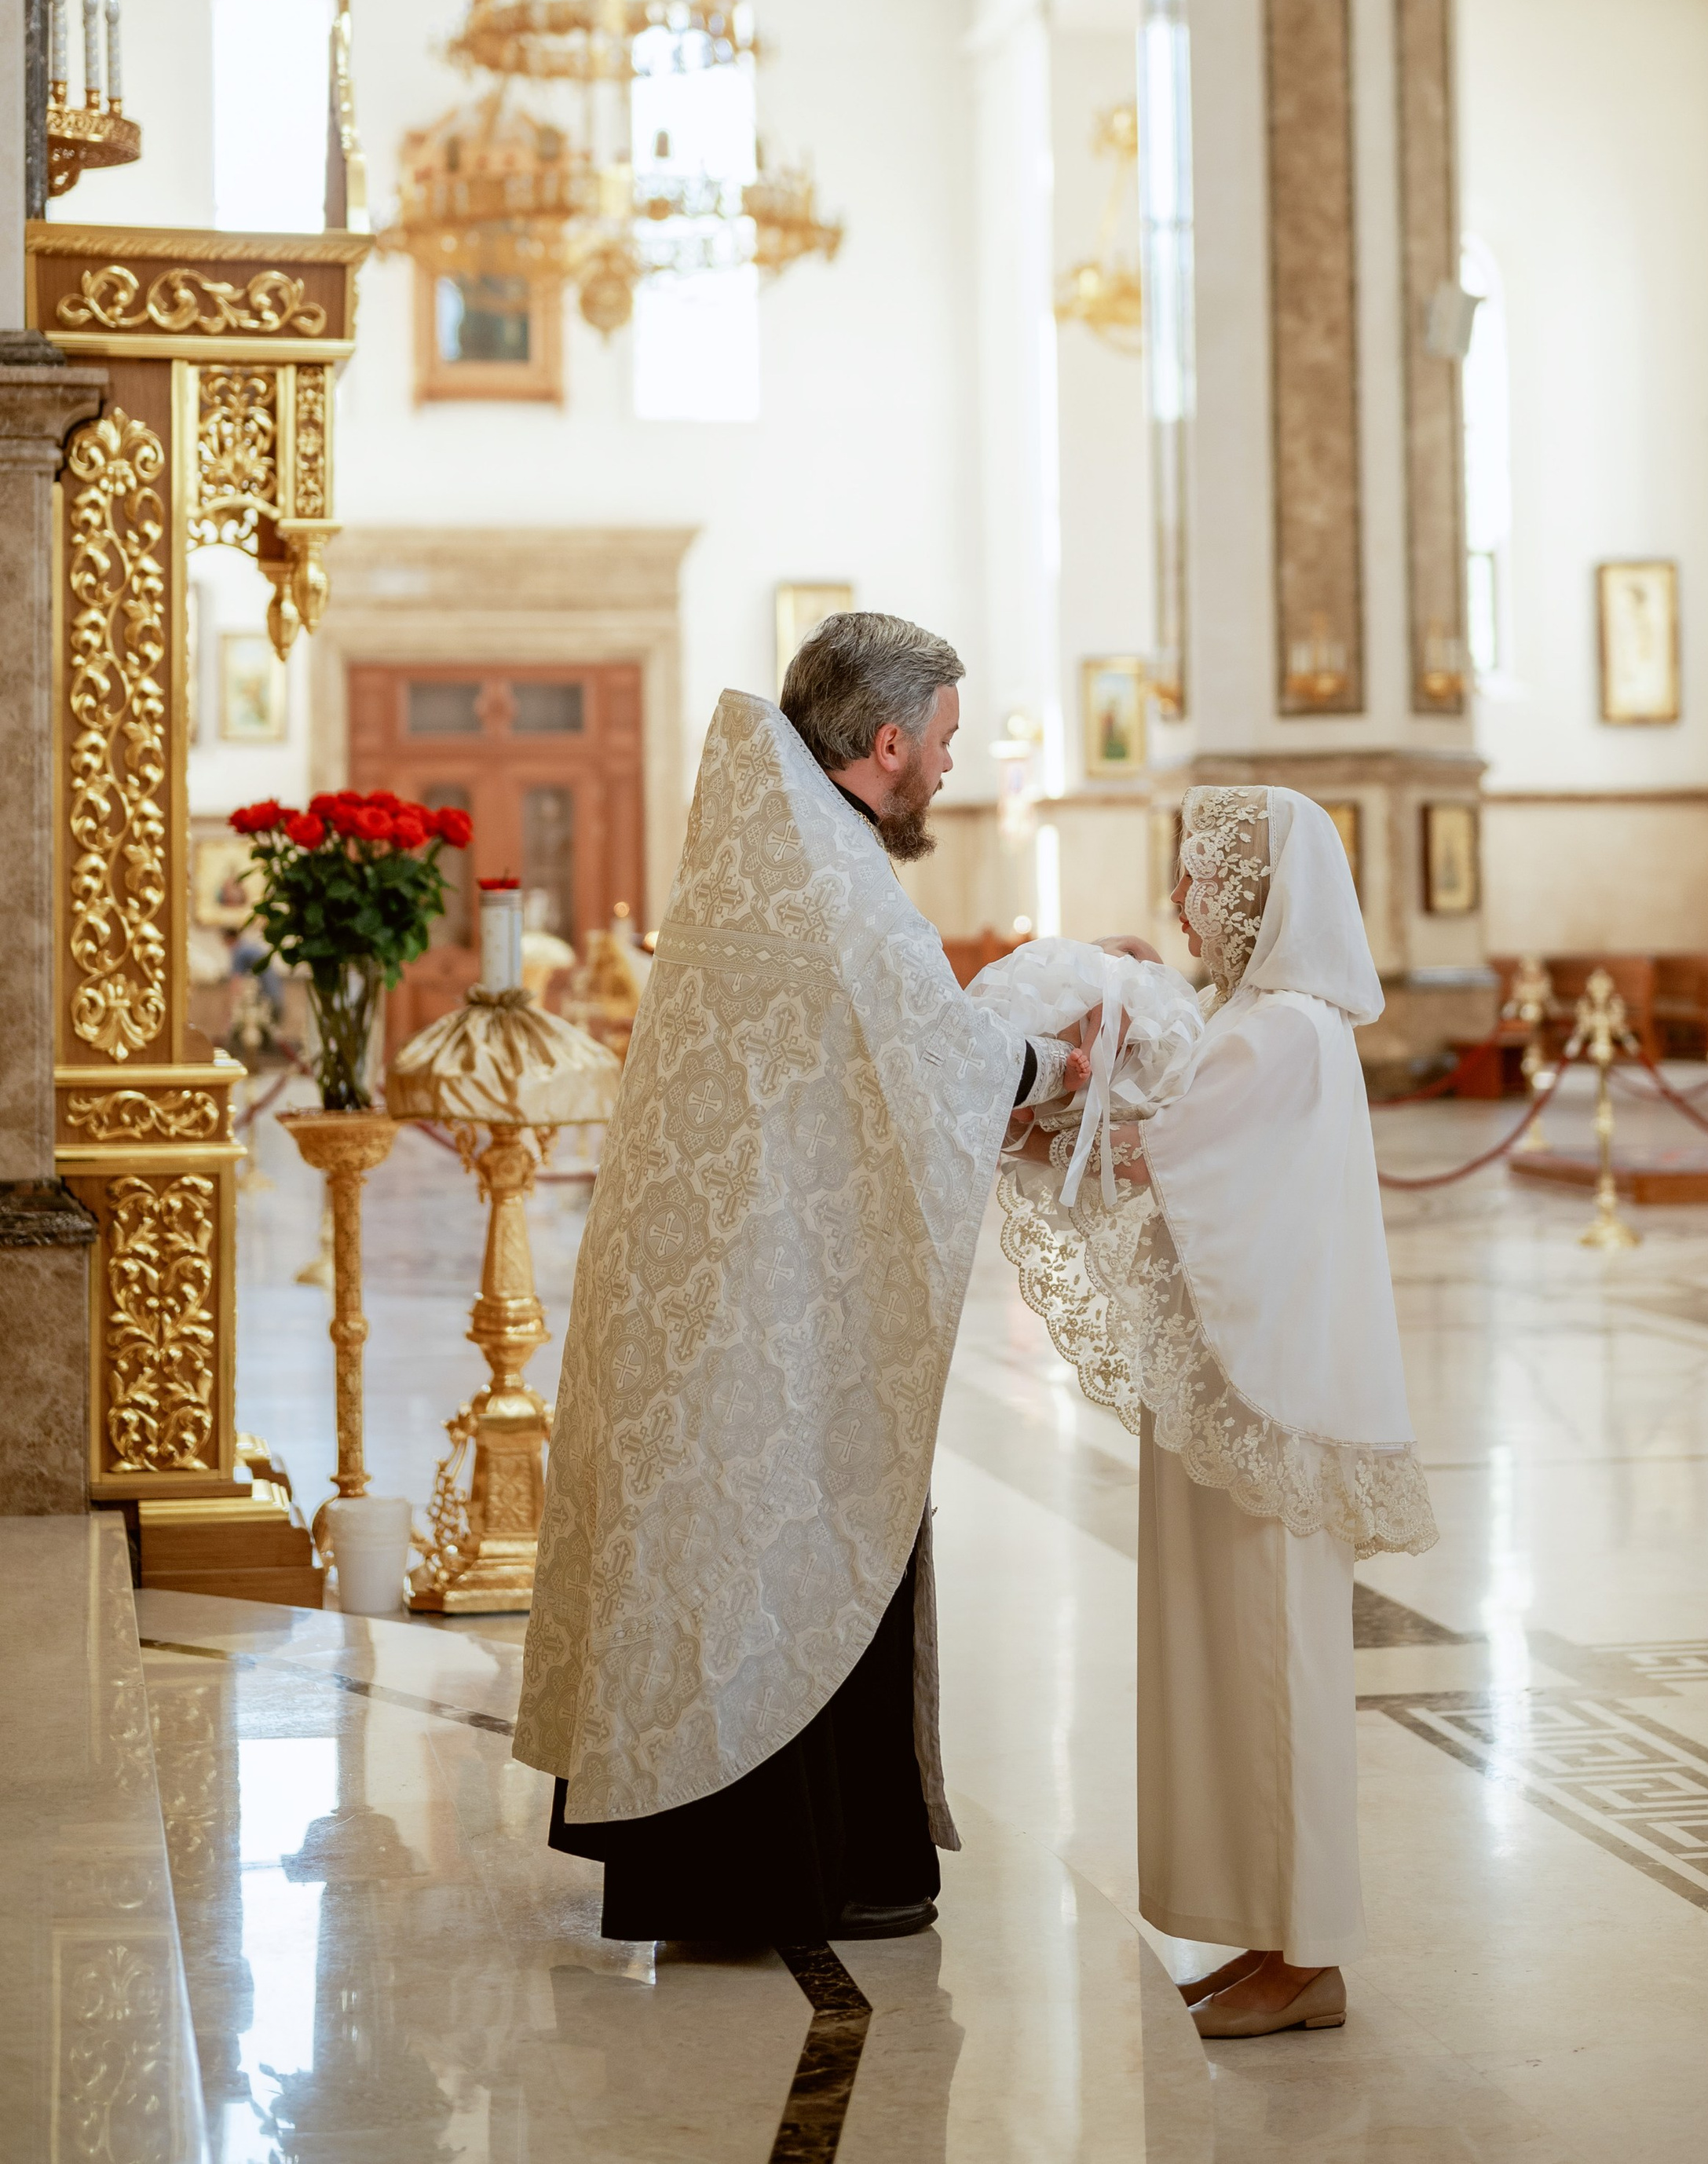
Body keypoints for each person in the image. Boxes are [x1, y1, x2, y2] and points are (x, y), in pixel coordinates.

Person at [514, 613, 1084, 1947]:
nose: (949, 767)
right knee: (787, 1552)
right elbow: (943, 1062)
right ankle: (786, 1874)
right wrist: (1070, 1062)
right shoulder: (830, 879)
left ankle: (815, 1861)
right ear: (887, 743)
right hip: (767, 1305)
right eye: (944, 742)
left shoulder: (769, 851)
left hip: (736, 1287)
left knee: (747, 1557)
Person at [1004, 785, 1436, 2038]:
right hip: (1229, 1390)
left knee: (1271, 1665)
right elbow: (1145, 1126)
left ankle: (1310, 1957)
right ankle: (1265, 1936)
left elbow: (1142, 1147)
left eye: (1204, 877)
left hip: (1271, 1404)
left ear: (1258, 890)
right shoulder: (1252, 1019)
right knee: (1230, 1663)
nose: (1188, 899)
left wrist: (1074, 1066)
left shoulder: (1285, 1030)